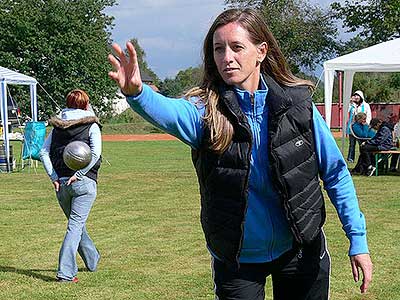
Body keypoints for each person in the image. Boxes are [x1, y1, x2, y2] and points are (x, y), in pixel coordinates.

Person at [108, 8, 372, 299]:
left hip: (300, 248)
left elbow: (335, 174)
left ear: (260, 51)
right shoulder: (206, 113)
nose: (226, 57)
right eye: (218, 49)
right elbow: (170, 113)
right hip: (237, 259)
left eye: (236, 47)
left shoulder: (299, 107)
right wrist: (138, 93)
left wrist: (357, 240)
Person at [39, 89, 102, 282]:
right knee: (75, 227)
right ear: (85, 105)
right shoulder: (91, 125)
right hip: (83, 183)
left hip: (62, 185)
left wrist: (54, 177)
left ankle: (92, 260)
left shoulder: (57, 127)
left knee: (76, 225)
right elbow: (96, 154)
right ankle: (66, 273)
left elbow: (43, 152)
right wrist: (80, 173)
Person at [346, 91, 372, 163]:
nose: (356, 97)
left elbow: (369, 115)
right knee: (352, 144)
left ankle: (363, 158)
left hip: (361, 128)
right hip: (353, 127)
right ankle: (350, 158)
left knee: (362, 143)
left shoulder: (366, 105)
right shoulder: (351, 105)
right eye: (355, 95)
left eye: (358, 96)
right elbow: (347, 111)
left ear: (361, 97)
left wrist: (366, 124)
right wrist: (350, 103)